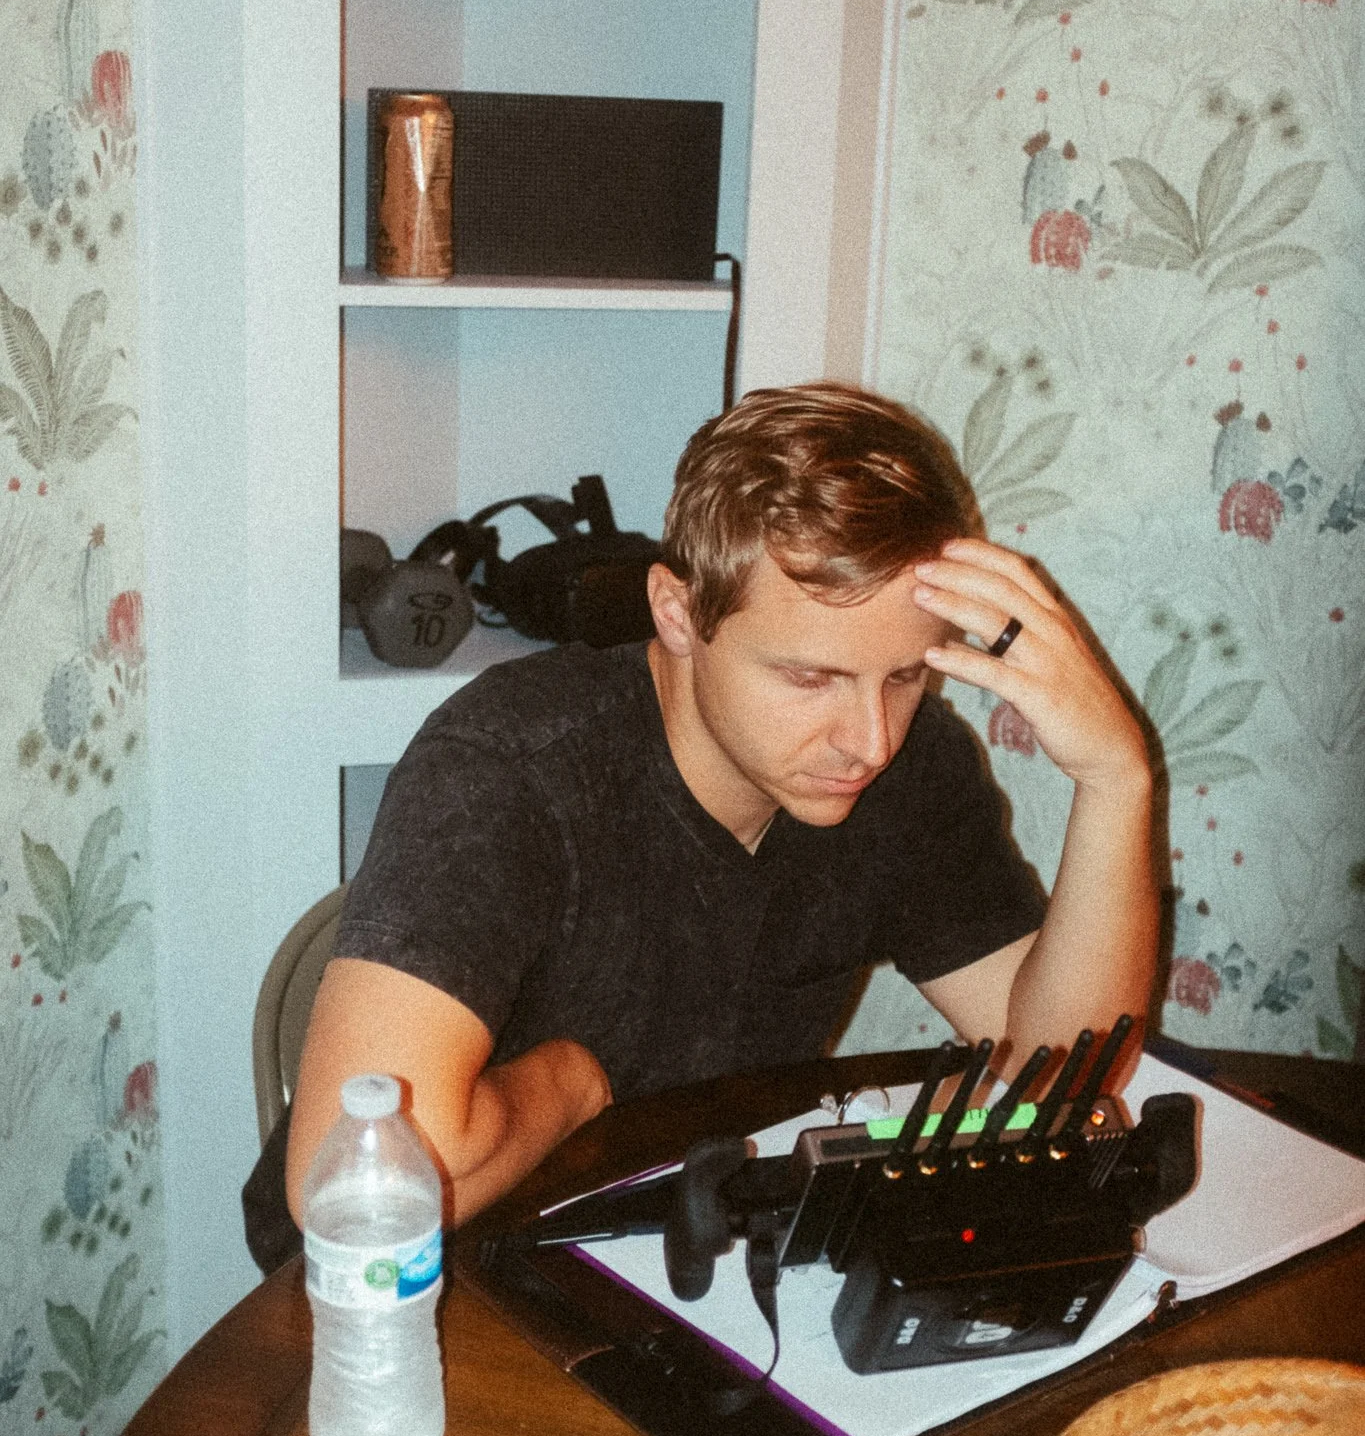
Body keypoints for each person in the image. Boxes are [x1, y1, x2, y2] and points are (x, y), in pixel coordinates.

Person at [284, 384, 1156, 1232]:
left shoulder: (910, 768)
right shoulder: (510, 769)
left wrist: (1116, 781)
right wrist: (570, 1082)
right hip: (414, 1273)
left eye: (903, 676)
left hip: (679, 1232)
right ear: (677, 612)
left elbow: (1058, 1075)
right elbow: (356, 1182)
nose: (869, 741)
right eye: (808, 677)